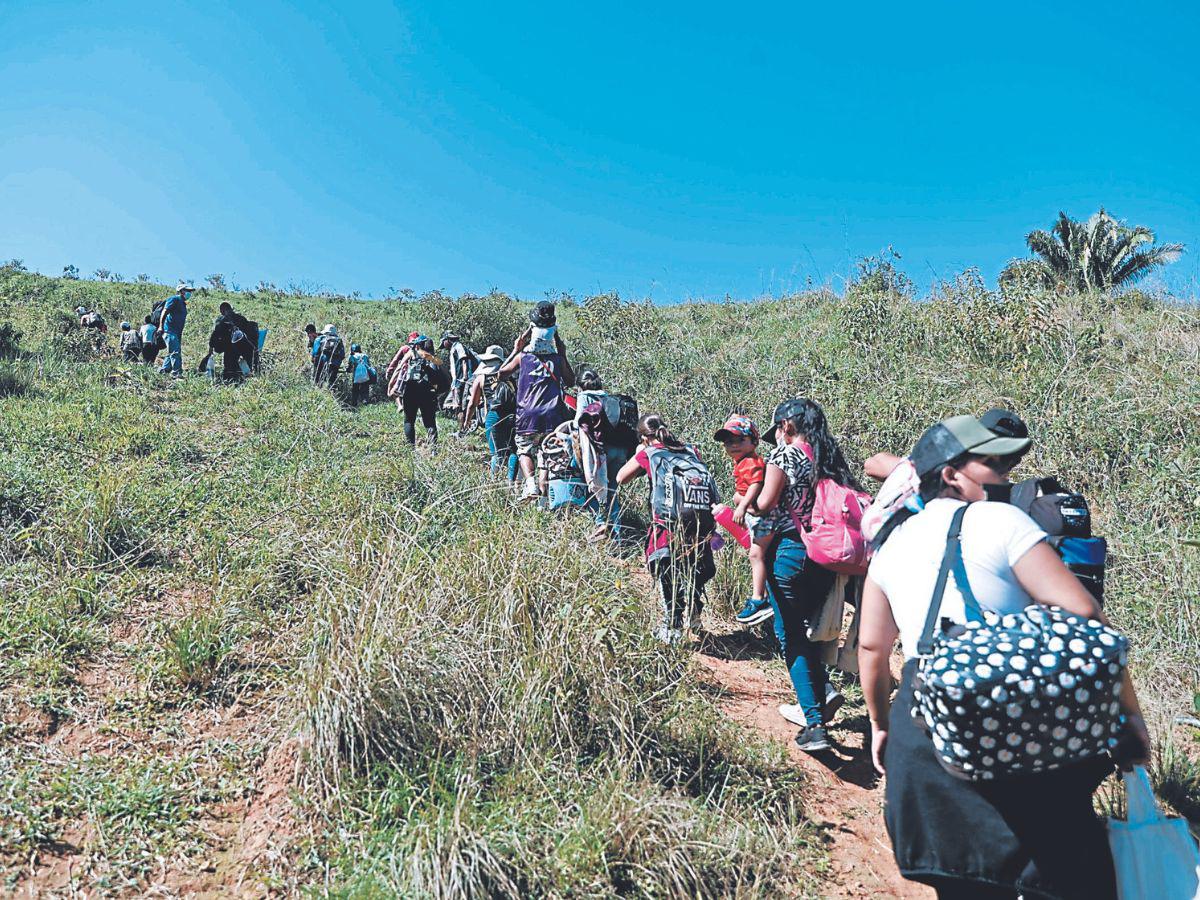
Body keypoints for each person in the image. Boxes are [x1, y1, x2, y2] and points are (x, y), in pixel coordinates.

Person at [859, 414, 1150, 900]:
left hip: (927, 732)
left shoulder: (892, 544)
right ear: (951, 474)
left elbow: (872, 647)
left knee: (962, 885)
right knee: (1059, 875)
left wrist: (881, 724)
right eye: (993, 463)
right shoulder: (1003, 520)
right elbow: (1084, 613)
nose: (1006, 476)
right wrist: (1128, 713)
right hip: (1015, 717)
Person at [755, 398, 862, 751]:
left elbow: (767, 503)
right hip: (823, 555)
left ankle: (815, 724)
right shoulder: (827, 459)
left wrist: (746, 501)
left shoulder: (784, 456)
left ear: (786, 425)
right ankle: (822, 694)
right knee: (804, 634)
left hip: (789, 552)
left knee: (791, 637)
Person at [616, 413, 718, 644]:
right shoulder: (691, 450)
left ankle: (672, 627)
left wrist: (639, 454)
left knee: (666, 571)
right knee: (693, 568)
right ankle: (694, 610)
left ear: (643, 437)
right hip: (699, 523)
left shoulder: (647, 452)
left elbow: (621, 478)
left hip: (668, 524)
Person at [497, 301, 575, 500]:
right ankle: (543, 498)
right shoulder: (556, 360)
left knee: (524, 450)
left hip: (527, 415)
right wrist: (562, 354)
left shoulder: (523, 357)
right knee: (546, 453)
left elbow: (501, 374)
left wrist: (516, 349)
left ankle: (530, 484)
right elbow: (571, 381)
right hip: (552, 415)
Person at [712, 415, 773, 627]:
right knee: (757, 553)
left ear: (754, 442)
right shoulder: (743, 462)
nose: (733, 445)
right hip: (756, 514)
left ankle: (759, 598)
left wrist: (742, 505)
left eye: (739, 440)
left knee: (756, 553)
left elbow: (756, 485)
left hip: (762, 516)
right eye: (728, 442)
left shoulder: (751, 462)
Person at [573, 368, 635, 533]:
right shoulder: (609, 398)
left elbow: (577, 423)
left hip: (600, 453)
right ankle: (617, 534)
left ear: (580, 386)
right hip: (620, 451)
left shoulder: (584, 397)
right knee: (612, 491)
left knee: (594, 487)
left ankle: (600, 524)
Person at [463, 345, 519, 481]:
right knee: (513, 451)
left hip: (494, 417)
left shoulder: (480, 378)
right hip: (513, 416)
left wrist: (467, 421)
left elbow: (472, 404)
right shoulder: (511, 375)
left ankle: (493, 483)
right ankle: (511, 483)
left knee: (496, 454)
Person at [393, 334, 449, 446]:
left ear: (418, 345)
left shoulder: (412, 354)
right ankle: (434, 450)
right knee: (430, 422)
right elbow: (446, 376)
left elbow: (399, 369)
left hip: (410, 391)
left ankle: (410, 448)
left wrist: (392, 386)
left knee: (409, 420)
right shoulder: (434, 359)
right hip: (428, 392)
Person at [157, 283, 192, 377]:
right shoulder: (174, 299)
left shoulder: (183, 303)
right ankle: (177, 373)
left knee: (172, 351)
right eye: (187, 291)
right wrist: (161, 326)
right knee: (175, 352)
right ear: (181, 291)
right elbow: (165, 311)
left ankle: (164, 370)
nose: (189, 293)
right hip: (169, 330)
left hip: (177, 332)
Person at [440, 331, 477, 415]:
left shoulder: (458, 346)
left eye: (443, 342)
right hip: (457, 381)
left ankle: (462, 424)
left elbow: (464, 360)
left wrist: (464, 376)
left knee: (458, 405)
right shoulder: (454, 348)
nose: (444, 346)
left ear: (447, 340)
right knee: (449, 403)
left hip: (461, 380)